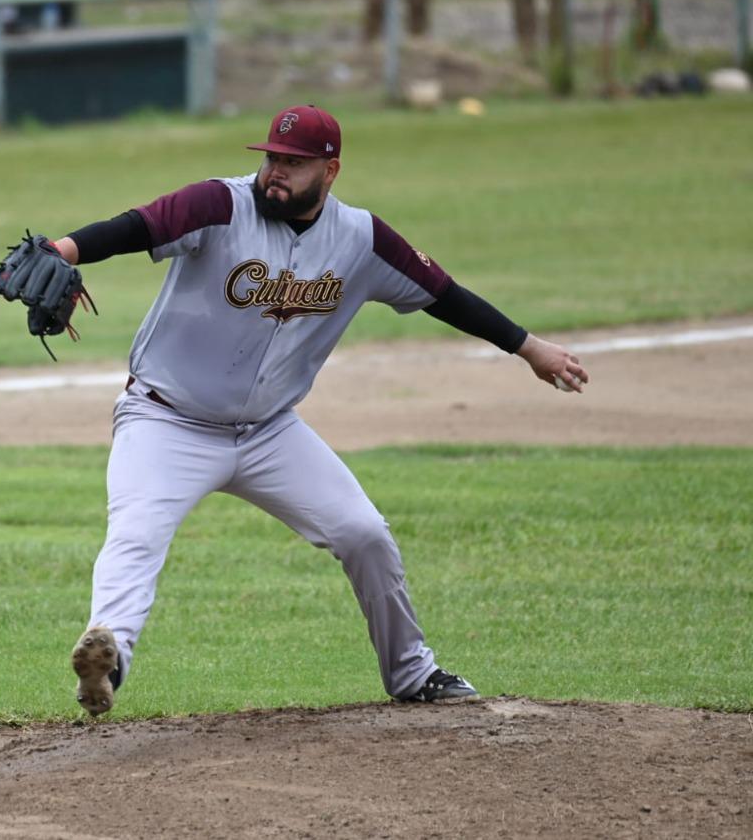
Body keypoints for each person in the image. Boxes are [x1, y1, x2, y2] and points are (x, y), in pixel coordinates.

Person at [60, 104, 591, 717]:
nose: (275, 173)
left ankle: (413, 672)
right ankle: (109, 659)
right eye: (272, 158)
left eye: (293, 163)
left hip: (269, 433)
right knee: (136, 536)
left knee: (364, 534)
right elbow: (137, 226)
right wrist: (65, 249)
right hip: (165, 422)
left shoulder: (361, 240)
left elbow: (444, 295)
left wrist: (529, 348)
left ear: (330, 171)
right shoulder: (219, 204)